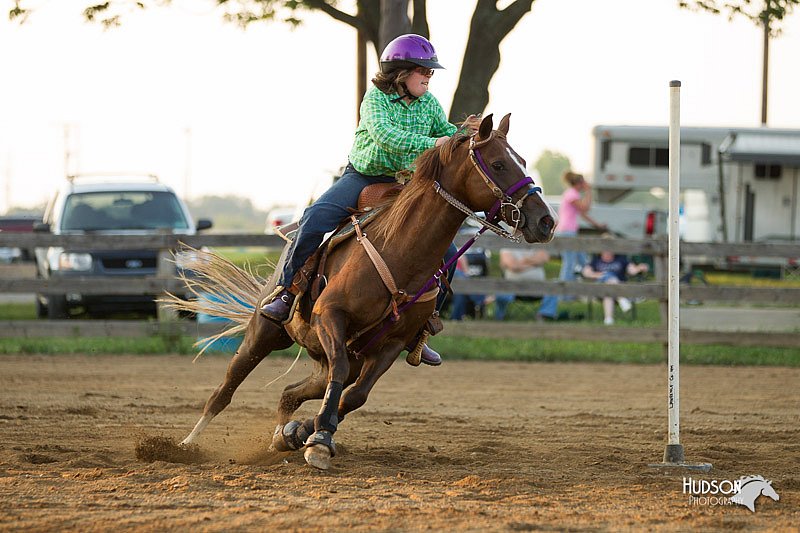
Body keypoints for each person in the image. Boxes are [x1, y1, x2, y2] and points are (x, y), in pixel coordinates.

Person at [260, 34, 479, 366]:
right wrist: (439, 143)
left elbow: (446, 130)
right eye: (424, 70)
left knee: (445, 255)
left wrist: (470, 137)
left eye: (431, 72)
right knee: (315, 219)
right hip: (361, 177)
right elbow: (387, 137)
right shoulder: (375, 99)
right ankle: (286, 292)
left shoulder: (430, 104)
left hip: (404, 183)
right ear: (401, 71)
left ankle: (419, 330)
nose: (429, 77)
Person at [536, 171, 605, 321]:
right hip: (567, 232)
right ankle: (564, 294)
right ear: (579, 183)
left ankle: (580, 290)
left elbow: (583, 214)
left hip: (569, 232)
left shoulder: (572, 194)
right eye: (584, 183)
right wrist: (588, 191)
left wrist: (597, 225)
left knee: (583, 261)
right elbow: (585, 208)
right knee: (570, 263)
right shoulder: (572, 194)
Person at [581, 244, 649, 325]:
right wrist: (600, 275)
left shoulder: (621, 260)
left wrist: (640, 267)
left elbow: (633, 270)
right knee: (608, 277)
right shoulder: (596, 260)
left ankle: (608, 320)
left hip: (618, 289)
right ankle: (622, 299)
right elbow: (585, 272)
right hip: (600, 290)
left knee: (608, 292)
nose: (608, 252)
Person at [494, 248, 550, 320]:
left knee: (555, 285)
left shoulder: (536, 242)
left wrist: (521, 264)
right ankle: (499, 317)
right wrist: (533, 263)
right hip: (513, 288)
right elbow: (513, 266)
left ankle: (544, 316)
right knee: (500, 292)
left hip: (538, 288)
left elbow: (544, 258)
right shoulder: (507, 247)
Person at [449, 256, 486, 321]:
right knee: (460, 277)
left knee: (460, 292)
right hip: (453, 274)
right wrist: (466, 276)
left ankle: (455, 318)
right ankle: (479, 300)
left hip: (461, 281)